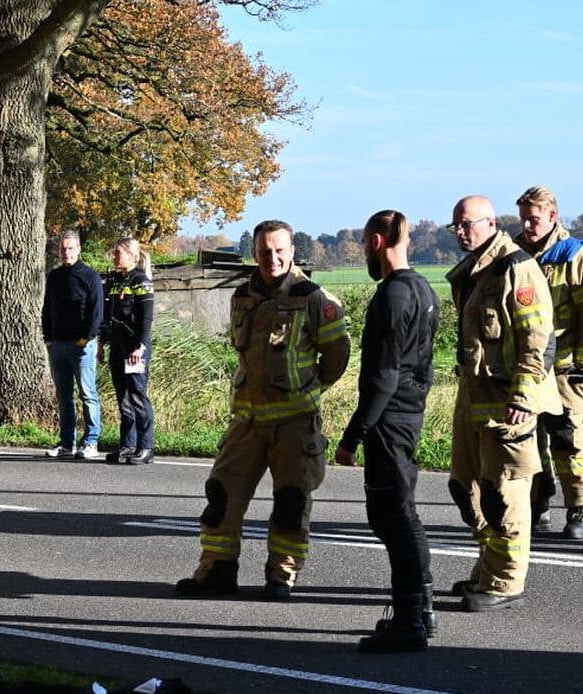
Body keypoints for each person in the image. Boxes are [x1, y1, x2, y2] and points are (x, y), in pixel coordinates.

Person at [175, 221, 349, 600]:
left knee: (291, 501)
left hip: (294, 422)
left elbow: (337, 356)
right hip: (247, 422)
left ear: (292, 251)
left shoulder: (316, 298)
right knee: (222, 494)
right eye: (264, 251)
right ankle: (217, 569)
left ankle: (281, 574)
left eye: (279, 250)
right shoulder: (243, 296)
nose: (272, 257)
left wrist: (308, 386)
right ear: (254, 253)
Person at [444, 195, 556, 611]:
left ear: (491, 223)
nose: (459, 231)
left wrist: (525, 398)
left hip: (508, 404)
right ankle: (487, 567)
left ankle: (506, 582)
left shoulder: (516, 268)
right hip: (474, 399)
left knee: (504, 493)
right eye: (455, 224)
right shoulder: (474, 271)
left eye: (466, 223)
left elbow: (537, 342)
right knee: (466, 488)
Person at [336, 210, 439, 652]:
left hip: (389, 421)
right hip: (406, 414)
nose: (363, 251)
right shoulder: (423, 288)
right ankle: (421, 609)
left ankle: (410, 620)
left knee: (395, 516)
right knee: (396, 514)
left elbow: (384, 375)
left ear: (377, 241)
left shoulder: (393, 296)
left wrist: (353, 435)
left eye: (363, 243)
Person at [515, 185, 583, 539]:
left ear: (553, 216)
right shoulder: (516, 253)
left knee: (568, 437)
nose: (527, 225)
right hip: (531, 365)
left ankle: (579, 508)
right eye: (523, 218)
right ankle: (539, 504)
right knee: (529, 438)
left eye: (534, 219)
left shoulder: (576, 254)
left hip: (566, 364)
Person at [41, 230, 105, 460]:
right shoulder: (55, 276)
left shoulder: (90, 276)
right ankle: (68, 442)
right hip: (57, 344)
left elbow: (96, 311)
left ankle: (91, 441)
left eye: (70, 248)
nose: (66, 252)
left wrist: (86, 338)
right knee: (64, 396)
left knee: (88, 393)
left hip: (81, 346)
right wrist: (47, 337)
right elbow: (47, 308)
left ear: (78, 249)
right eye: (63, 248)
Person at [102, 237, 156, 465]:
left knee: (137, 394)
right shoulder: (115, 281)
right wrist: (103, 343)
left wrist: (140, 346)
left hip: (135, 347)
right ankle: (127, 444)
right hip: (117, 345)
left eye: (118, 253)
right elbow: (109, 316)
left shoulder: (141, 280)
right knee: (122, 396)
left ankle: (146, 446)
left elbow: (146, 318)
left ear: (132, 256)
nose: (115, 257)